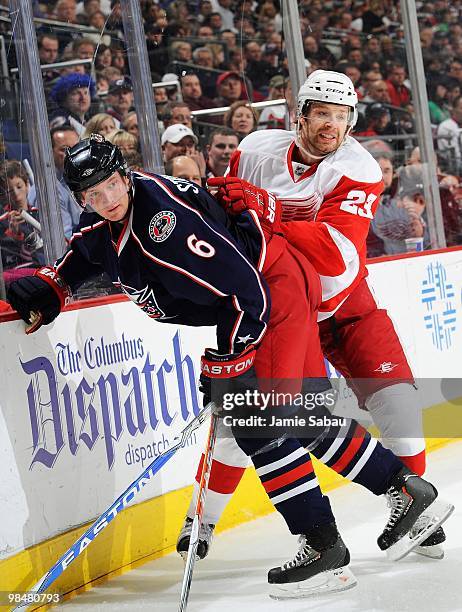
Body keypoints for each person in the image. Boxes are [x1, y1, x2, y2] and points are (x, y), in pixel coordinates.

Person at [6, 135, 451, 599]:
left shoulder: (164, 222)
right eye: (94, 194)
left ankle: (323, 547)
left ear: (125, 173)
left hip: (269, 294)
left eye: (113, 184)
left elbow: (245, 289)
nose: (108, 199)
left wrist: (232, 358)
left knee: (258, 422)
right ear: (81, 198)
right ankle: (403, 490)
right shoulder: (114, 214)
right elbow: (88, 248)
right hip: (274, 291)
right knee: (301, 418)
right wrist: (51, 285)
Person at [181, 69, 447, 559]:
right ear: (298, 114)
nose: (332, 125)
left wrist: (273, 213)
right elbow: (230, 222)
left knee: (398, 407)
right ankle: (201, 522)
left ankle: (417, 515)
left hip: (345, 304)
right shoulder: (258, 149)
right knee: (252, 419)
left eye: (343, 116)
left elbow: (338, 258)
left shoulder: (359, 168)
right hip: (281, 310)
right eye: (322, 113)